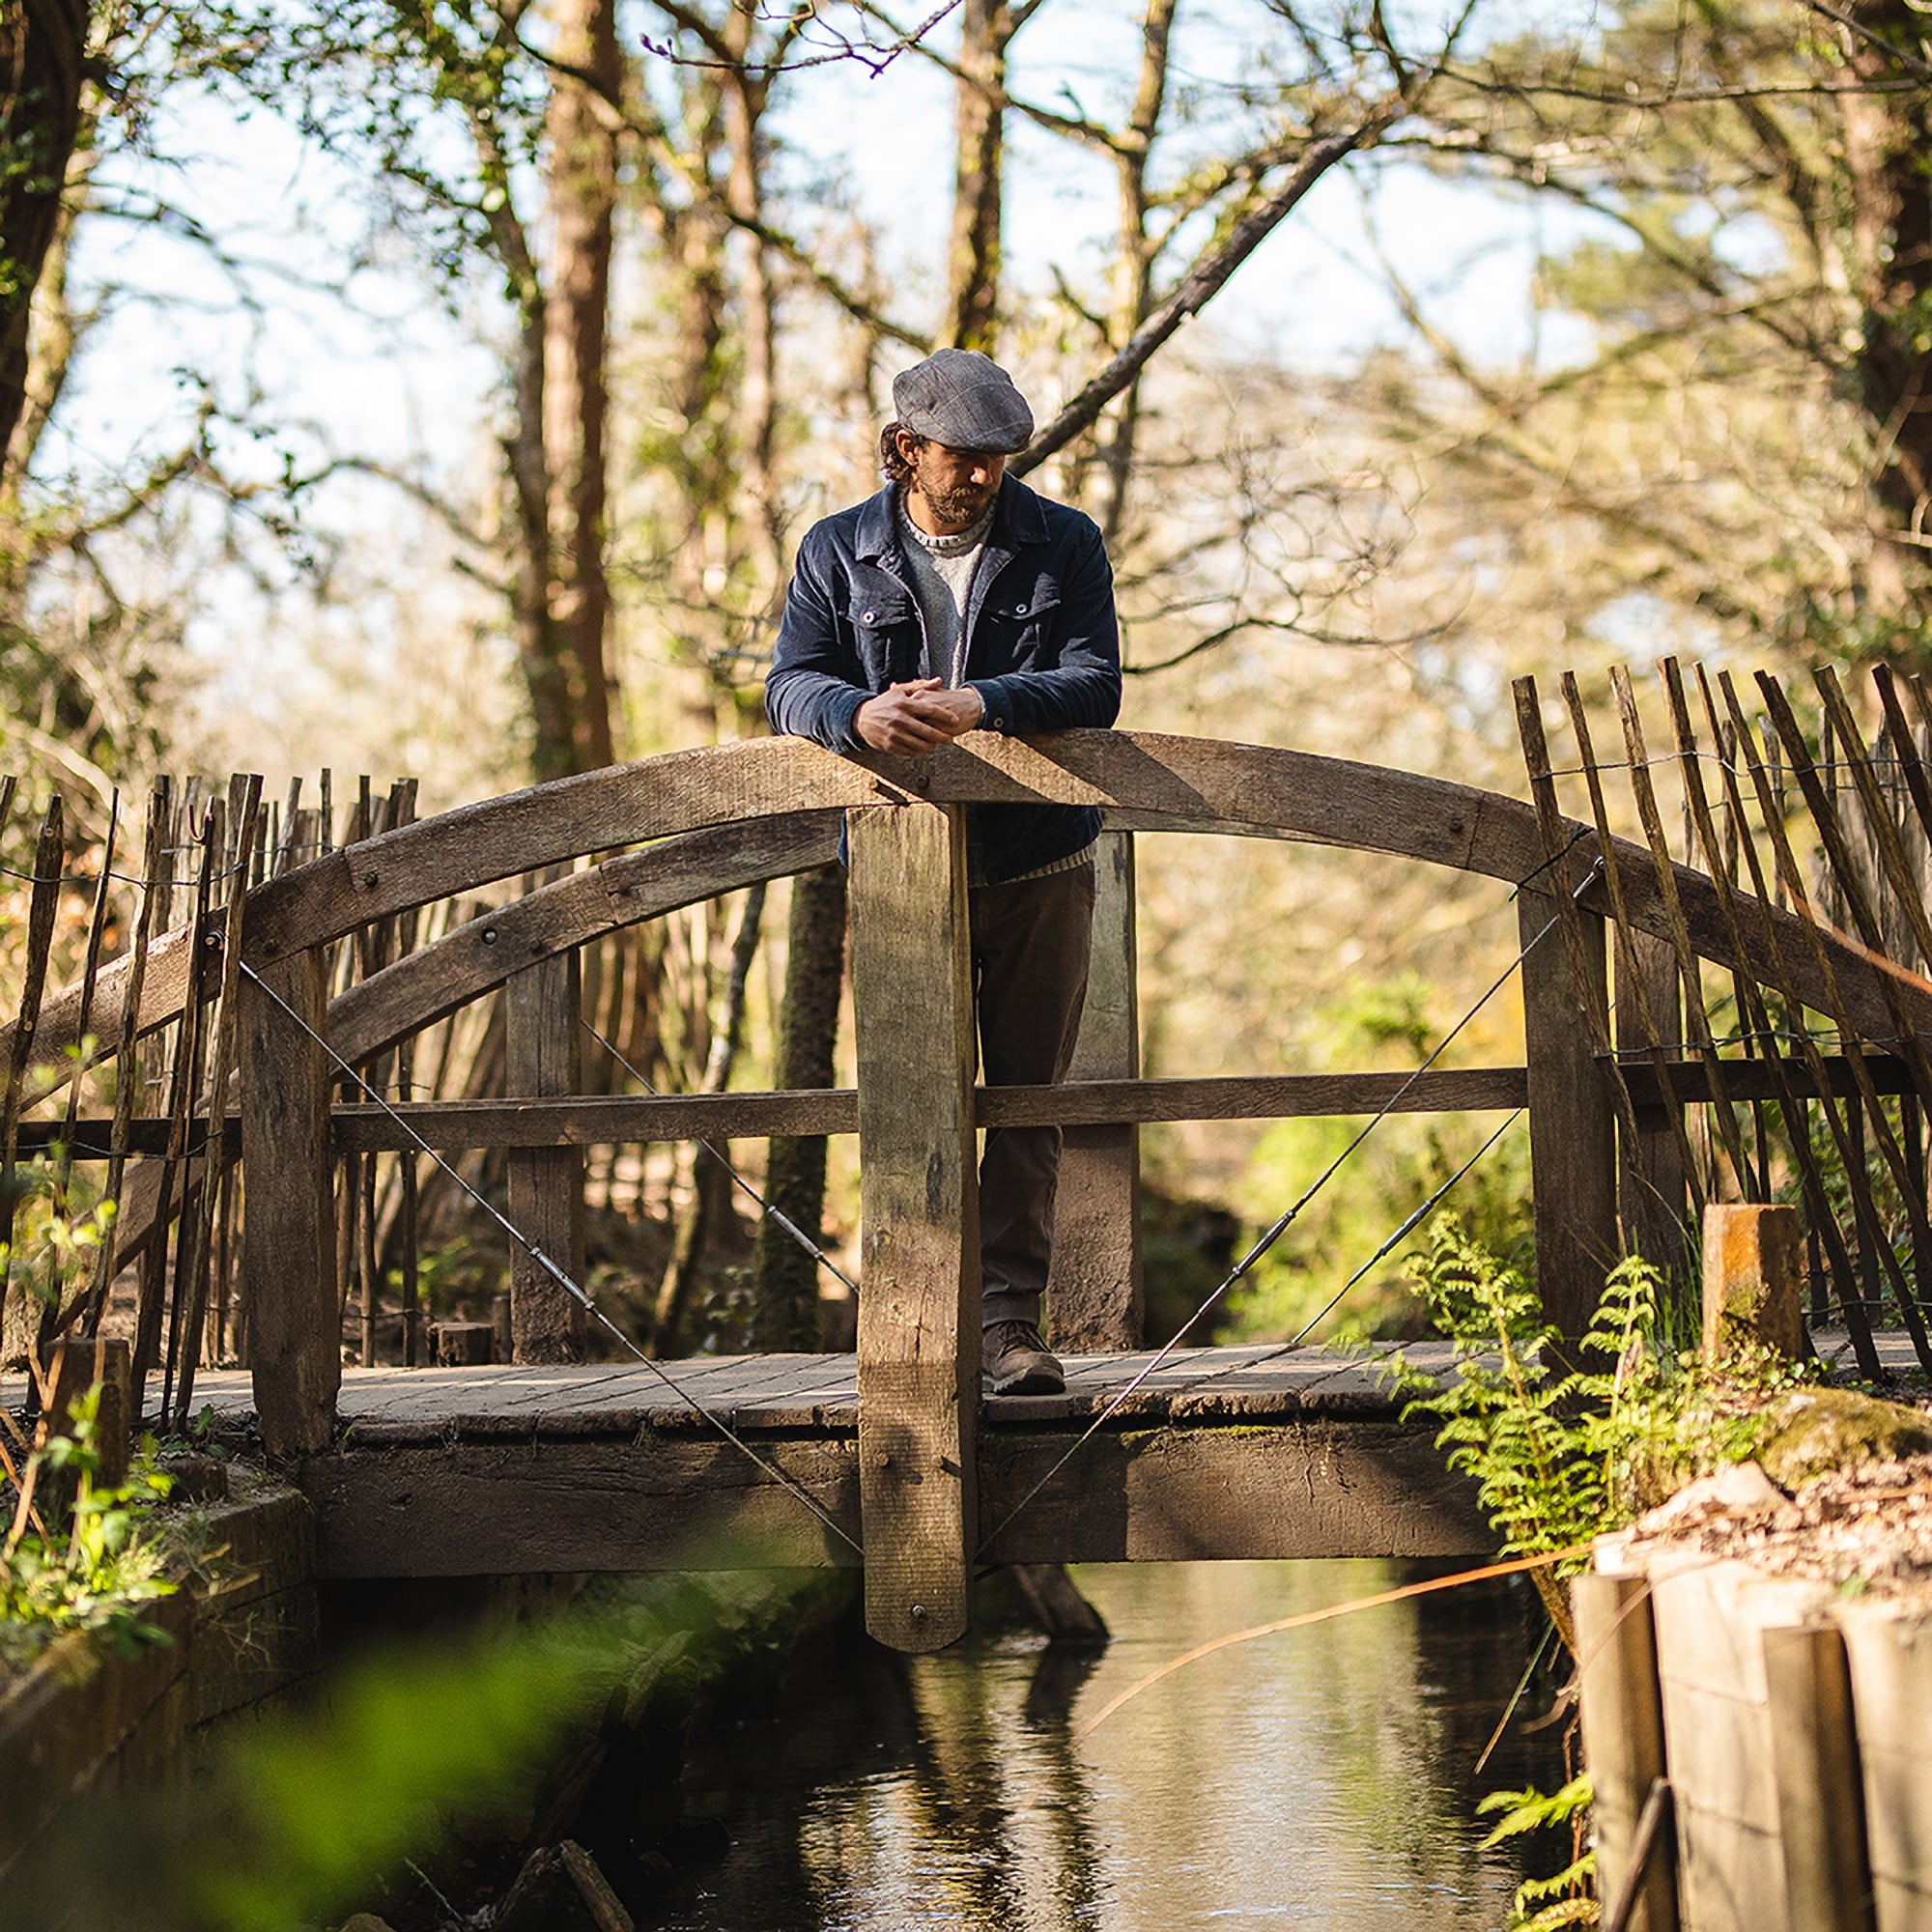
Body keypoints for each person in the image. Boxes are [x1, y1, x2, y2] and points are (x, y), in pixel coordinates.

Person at [766, 348, 1122, 1395]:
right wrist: (855, 714)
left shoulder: (1063, 541)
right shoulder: (836, 550)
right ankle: (916, 1328)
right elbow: (789, 683)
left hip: (1039, 858)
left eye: (997, 457)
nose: (981, 474)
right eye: (961, 455)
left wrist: (987, 701)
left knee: (1024, 1101)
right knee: (909, 1097)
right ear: (904, 448)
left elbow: (1095, 684)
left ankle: (1008, 1332)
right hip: (898, 868)